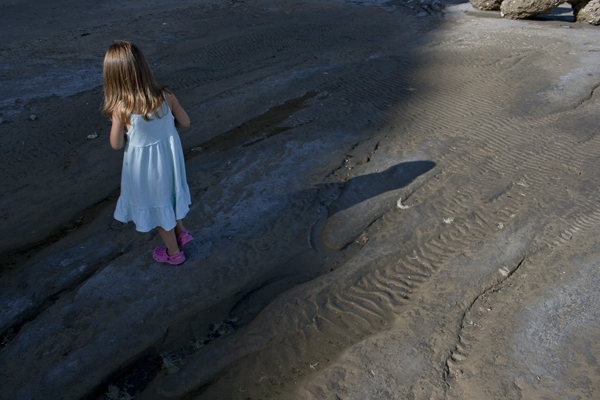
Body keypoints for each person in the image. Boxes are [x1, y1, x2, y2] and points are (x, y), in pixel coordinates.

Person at [102, 40, 193, 265]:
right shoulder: (166, 96)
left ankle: (174, 253)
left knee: (158, 207)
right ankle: (181, 232)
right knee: (169, 197)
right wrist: (166, 129)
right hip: (170, 162)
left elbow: (116, 144)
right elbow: (185, 122)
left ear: (114, 77)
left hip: (146, 170)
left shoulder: (122, 108)